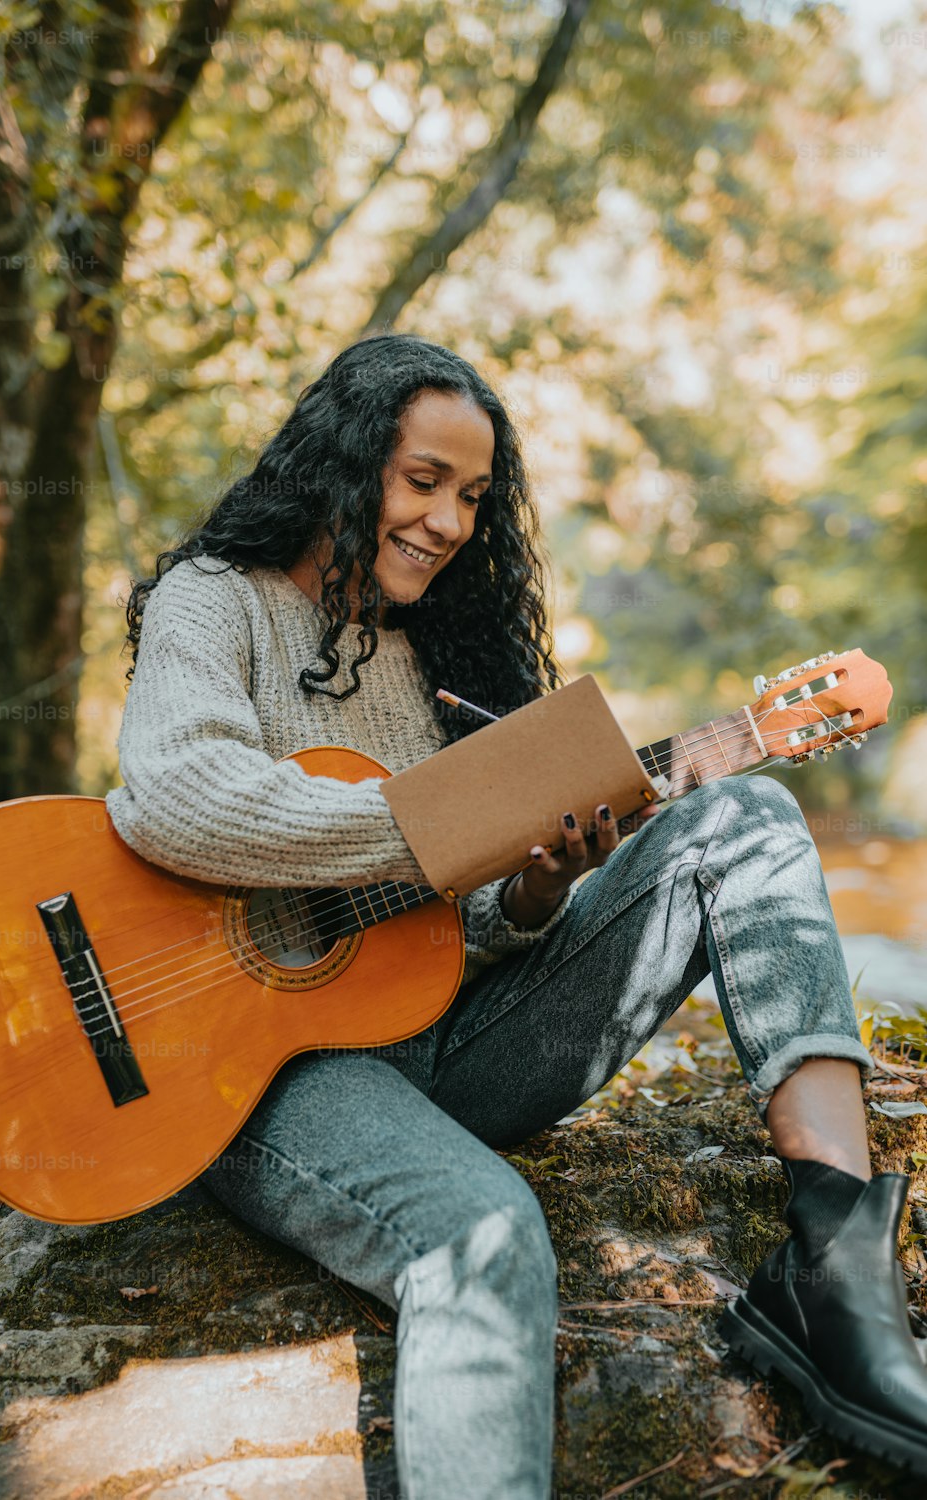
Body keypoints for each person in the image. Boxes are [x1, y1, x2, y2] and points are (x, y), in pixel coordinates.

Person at [105, 332, 927, 1496]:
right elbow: (183, 800)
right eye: (422, 480)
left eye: (473, 497)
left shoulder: (436, 650)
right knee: (483, 1238)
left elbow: (468, 914)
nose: (447, 522)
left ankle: (836, 1256)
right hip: (261, 1070)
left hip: (449, 1039)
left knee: (745, 819)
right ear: (341, 461)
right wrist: (444, 824)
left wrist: (534, 881)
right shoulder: (212, 603)